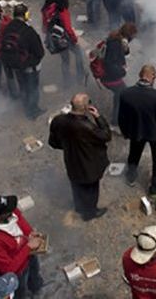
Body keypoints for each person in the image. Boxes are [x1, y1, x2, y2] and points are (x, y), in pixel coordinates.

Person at [48, 92, 112, 220]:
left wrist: (68, 147)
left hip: (71, 162)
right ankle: (89, 213)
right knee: (91, 190)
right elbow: (106, 136)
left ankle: (79, 206)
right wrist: (98, 117)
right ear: (86, 108)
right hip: (89, 165)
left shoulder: (58, 120)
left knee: (76, 185)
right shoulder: (87, 127)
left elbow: (53, 142)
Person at [118, 65, 156, 195]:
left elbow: (121, 116)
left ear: (140, 75)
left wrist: (124, 131)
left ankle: (131, 177)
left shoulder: (126, 93)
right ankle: (155, 187)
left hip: (136, 131)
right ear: (153, 77)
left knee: (134, 154)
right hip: (155, 134)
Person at [0, 194, 44, 298]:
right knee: (20, 290)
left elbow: (19, 219)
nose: (12, 211)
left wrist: (29, 233)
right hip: (17, 271)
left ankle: (37, 289)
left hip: (29, 253)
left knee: (34, 273)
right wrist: (28, 247)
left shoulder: (9, 211)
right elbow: (7, 269)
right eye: (8, 211)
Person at [1, 4, 45, 119]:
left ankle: (26, 105)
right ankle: (33, 111)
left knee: (23, 87)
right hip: (30, 66)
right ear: (26, 15)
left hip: (15, 65)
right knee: (33, 89)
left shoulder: (8, 27)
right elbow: (40, 52)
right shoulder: (29, 31)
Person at [41, 0, 85, 87]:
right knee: (78, 54)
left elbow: (44, 27)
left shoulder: (45, 9)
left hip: (55, 39)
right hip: (65, 38)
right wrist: (74, 39)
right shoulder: (62, 10)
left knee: (65, 60)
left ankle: (67, 81)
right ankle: (80, 77)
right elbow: (68, 28)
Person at [100, 23, 138, 124]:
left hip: (109, 75)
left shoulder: (117, 38)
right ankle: (116, 122)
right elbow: (109, 64)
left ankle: (117, 119)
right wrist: (123, 71)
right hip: (109, 77)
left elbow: (122, 54)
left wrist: (125, 49)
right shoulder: (115, 44)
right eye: (132, 36)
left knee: (120, 94)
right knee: (122, 94)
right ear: (128, 35)